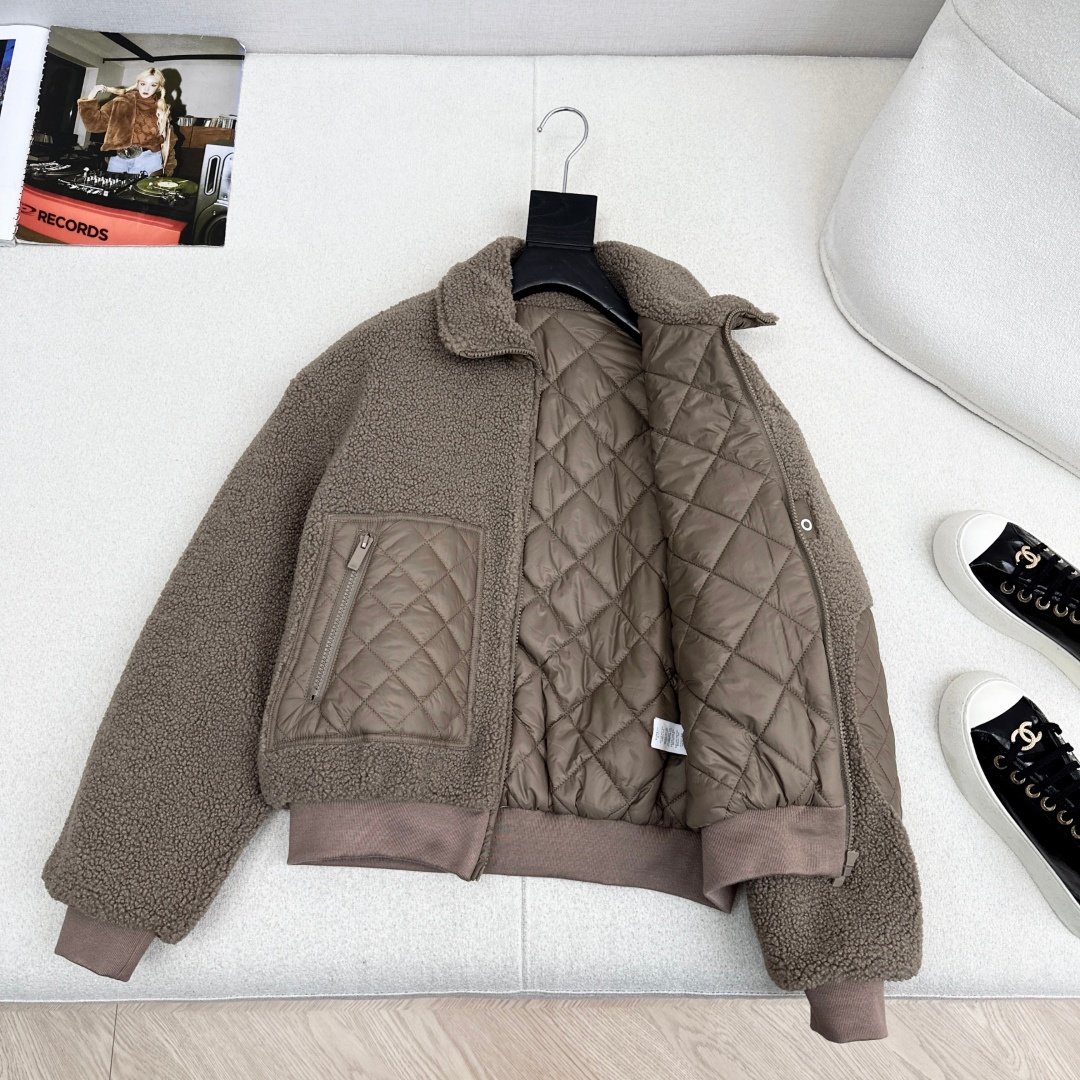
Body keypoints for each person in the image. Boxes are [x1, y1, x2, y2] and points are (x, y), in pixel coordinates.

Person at [76, 66, 178, 177]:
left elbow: (169, 141)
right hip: (119, 159)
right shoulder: (121, 101)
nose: (147, 88)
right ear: (137, 83)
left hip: (149, 159)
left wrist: (169, 167)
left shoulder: (162, 109)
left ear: (159, 87)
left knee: (141, 189)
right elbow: (94, 125)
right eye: (143, 84)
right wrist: (92, 95)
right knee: (114, 187)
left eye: (153, 85)